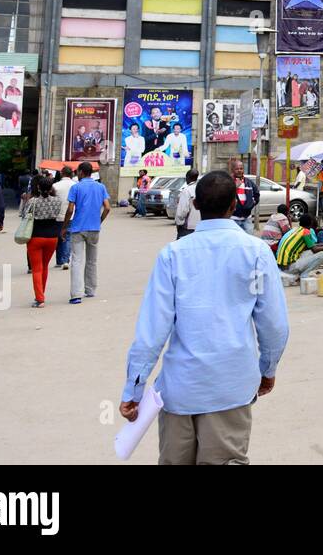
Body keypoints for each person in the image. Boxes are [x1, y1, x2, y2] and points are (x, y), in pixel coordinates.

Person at [120, 171, 289, 465]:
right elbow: (274, 325)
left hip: (180, 390)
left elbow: (151, 332)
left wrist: (134, 388)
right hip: (231, 388)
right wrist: (267, 368)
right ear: (234, 206)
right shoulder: (256, 253)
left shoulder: (172, 255)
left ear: (195, 204)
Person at [62, 161, 111, 305]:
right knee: (92, 260)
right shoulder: (100, 187)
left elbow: (70, 210)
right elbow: (107, 207)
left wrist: (64, 227)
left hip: (78, 228)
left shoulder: (76, 188)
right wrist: (99, 221)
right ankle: (90, 289)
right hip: (94, 228)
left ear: (81, 172)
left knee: (77, 260)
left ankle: (76, 294)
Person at [21, 176, 67, 308]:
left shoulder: (33, 201)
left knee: (36, 269)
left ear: (38, 188)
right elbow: (58, 215)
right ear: (51, 187)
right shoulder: (57, 201)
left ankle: (40, 298)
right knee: (45, 266)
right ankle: (42, 293)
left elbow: (24, 216)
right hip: (52, 238)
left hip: (35, 237)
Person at [275, 215, 323, 285]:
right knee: (322, 254)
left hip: (283, 266)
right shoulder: (306, 232)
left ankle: (300, 275)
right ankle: (305, 275)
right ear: (311, 223)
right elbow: (314, 249)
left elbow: (310, 247)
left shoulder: (297, 229)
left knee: (309, 252)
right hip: (290, 268)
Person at [52, 165, 76, 269]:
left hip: (57, 215)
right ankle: (65, 260)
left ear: (61, 173)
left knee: (58, 237)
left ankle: (59, 260)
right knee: (67, 237)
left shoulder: (55, 186)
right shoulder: (75, 185)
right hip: (71, 215)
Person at [229, 159, 260, 234]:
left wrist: (250, 204)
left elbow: (256, 195)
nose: (239, 170)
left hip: (247, 219)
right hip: (233, 219)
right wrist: (235, 187)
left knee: (249, 239)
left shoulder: (249, 182)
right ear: (233, 170)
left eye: (241, 168)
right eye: (237, 169)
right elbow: (224, 196)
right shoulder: (228, 182)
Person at [173, 168, 201, 239]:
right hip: (200, 227)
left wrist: (178, 223)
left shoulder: (186, 191)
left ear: (187, 177)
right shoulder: (201, 189)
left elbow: (182, 212)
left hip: (187, 228)